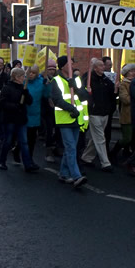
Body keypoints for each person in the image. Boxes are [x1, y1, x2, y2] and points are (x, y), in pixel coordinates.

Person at [51, 56, 89, 188]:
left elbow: (84, 96)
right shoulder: (56, 81)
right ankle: (76, 175)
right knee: (71, 148)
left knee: (70, 149)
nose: (72, 65)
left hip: (76, 118)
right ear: (62, 66)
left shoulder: (76, 79)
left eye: (73, 63)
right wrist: (71, 108)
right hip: (64, 119)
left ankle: (63, 173)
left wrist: (77, 89)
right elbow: (57, 100)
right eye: (69, 63)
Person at [0, 67, 39, 172]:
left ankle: (28, 164)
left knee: (24, 142)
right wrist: (15, 106)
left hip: (21, 119)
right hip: (10, 119)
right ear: (16, 77)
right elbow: (2, 103)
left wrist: (26, 94)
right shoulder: (7, 88)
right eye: (22, 76)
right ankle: (1, 161)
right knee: (8, 141)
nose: (24, 78)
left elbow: (29, 101)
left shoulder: (23, 88)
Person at [80, 58, 115, 172]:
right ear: (95, 68)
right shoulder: (88, 78)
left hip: (105, 112)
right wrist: (87, 91)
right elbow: (81, 91)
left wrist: (116, 89)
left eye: (103, 65)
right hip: (94, 113)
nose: (103, 67)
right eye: (100, 66)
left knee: (95, 138)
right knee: (100, 137)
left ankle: (86, 157)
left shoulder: (105, 79)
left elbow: (112, 92)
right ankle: (105, 163)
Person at [15, 65, 48, 162]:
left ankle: (29, 158)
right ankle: (18, 151)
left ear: (37, 73)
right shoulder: (23, 81)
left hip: (35, 114)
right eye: (29, 72)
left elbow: (46, 95)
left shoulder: (41, 82)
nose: (31, 74)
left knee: (32, 139)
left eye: (33, 73)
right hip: (24, 113)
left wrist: (47, 86)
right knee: (23, 138)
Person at [109, 63, 135, 164]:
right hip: (127, 115)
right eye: (131, 71)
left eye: (134, 71)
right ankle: (114, 152)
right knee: (127, 138)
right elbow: (125, 99)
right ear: (126, 73)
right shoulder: (124, 85)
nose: (134, 73)